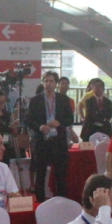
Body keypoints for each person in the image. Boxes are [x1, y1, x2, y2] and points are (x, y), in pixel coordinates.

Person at [26, 71, 74, 201]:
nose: (48, 84)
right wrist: (39, 127)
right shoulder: (35, 100)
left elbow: (70, 119)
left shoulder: (63, 99)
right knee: (40, 174)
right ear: (43, 83)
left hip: (58, 141)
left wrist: (59, 123)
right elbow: (29, 120)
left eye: (51, 81)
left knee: (60, 174)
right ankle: (40, 201)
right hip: (41, 141)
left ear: (56, 83)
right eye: (46, 81)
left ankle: (61, 201)